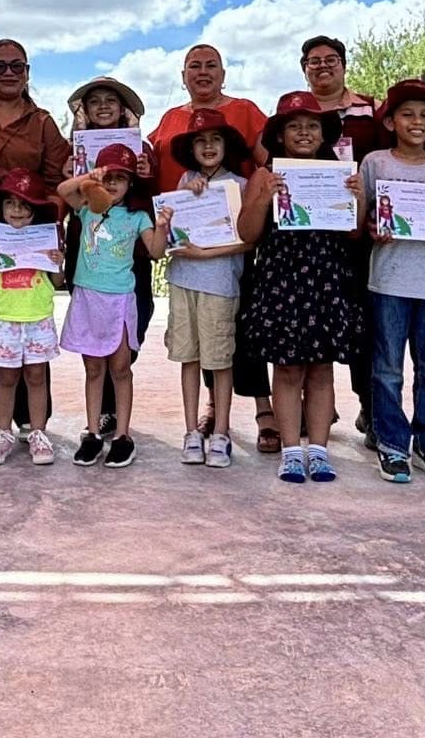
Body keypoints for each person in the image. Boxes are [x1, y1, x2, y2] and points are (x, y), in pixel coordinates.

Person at [145, 44, 275, 451]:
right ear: (183, 75)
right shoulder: (170, 118)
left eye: (211, 65)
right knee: (196, 345)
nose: (202, 72)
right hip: (184, 249)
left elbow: (270, 159)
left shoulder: (245, 110)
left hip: (232, 241)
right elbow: (149, 162)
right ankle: (211, 414)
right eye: (194, 66)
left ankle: (262, 410)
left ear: (223, 72)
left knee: (236, 333)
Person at [236, 91, 363, 485]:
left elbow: (354, 233)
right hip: (281, 280)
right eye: (294, 126)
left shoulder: (339, 172)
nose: (304, 132)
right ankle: (292, 450)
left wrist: (358, 198)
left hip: (326, 278)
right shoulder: (265, 174)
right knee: (288, 367)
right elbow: (247, 233)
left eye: (312, 126)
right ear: (280, 134)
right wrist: (264, 198)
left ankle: (319, 450)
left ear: (323, 134)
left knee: (322, 368)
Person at [0, 39, 72, 440]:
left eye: (16, 66)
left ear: (27, 72)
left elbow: (56, 180)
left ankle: (32, 419)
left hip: (29, 232)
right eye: (0, 66)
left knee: (33, 318)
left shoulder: (42, 122)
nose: (8, 73)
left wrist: (42, 226)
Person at [360, 79, 425, 484]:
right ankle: (391, 444)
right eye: (407, 114)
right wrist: (372, 228)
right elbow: (362, 216)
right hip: (387, 279)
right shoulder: (375, 163)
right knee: (387, 368)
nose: (417, 122)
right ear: (390, 121)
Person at [57, 146, 171, 469]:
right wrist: (89, 177)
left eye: (120, 178)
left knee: (120, 368)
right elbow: (63, 190)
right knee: (93, 369)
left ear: (131, 183)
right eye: (108, 177)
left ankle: (122, 436)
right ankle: (92, 433)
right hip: (87, 298)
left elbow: (156, 251)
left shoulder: (138, 217)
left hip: (119, 299)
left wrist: (163, 226)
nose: (112, 183)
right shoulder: (86, 208)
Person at [65, 76, 156, 441]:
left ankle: (116, 410)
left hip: (132, 253)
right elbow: (66, 192)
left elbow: (153, 193)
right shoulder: (76, 149)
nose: (103, 106)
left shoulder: (142, 148)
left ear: (123, 109)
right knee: (93, 341)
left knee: (130, 332)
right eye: (94, 101)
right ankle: (102, 413)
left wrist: (148, 173)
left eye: (111, 100)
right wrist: (76, 171)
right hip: (89, 254)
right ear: (85, 111)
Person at [298, 34, 381, 435]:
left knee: (364, 323)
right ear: (304, 70)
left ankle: (371, 407)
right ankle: (318, 409)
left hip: (361, 235)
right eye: (313, 61)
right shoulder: (294, 111)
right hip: (308, 238)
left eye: (330, 59)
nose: (322, 66)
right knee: (308, 321)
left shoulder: (372, 109)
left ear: (344, 65)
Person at [164, 107, 250, 469]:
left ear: (227, 146)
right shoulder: (185, 180)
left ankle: (221, 433)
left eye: (216, 139)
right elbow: (172, 231)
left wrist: (206, 253)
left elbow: (248, 239)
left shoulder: (240, 185)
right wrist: (184, 196)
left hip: (220, 283)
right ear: (192, 149)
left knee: (220, 359)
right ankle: (190, 431)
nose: (209, 146)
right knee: (189, 356)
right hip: (183, 279)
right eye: (200, 141)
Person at [0, 169, 65, 467]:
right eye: (10, 204)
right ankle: (3, 433)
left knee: (37, 377)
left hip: (38, 317)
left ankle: (38, 433)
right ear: (1, 208)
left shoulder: (46, 240)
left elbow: (58, 282)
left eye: (25, 205)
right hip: (5, 318)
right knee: (6, 377)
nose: (17, 210)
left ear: (35, 210)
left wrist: (57, 261)